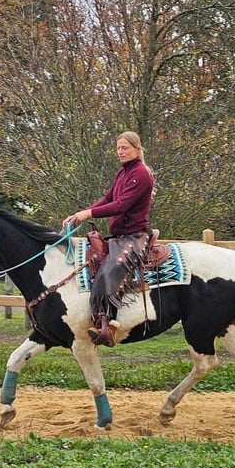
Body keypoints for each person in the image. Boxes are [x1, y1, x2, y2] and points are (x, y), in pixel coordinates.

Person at [63, 131, 155, 347]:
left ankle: (108, 326)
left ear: (137, 148)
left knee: (109, 270)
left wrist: (89, 214)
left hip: (134, 237)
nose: (120, 152)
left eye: (125, 148)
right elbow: (108, 199)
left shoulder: (141, 174)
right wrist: (82, 213)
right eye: (118, 148)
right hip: (119, 236)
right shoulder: (122, 173)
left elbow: (121, 205)